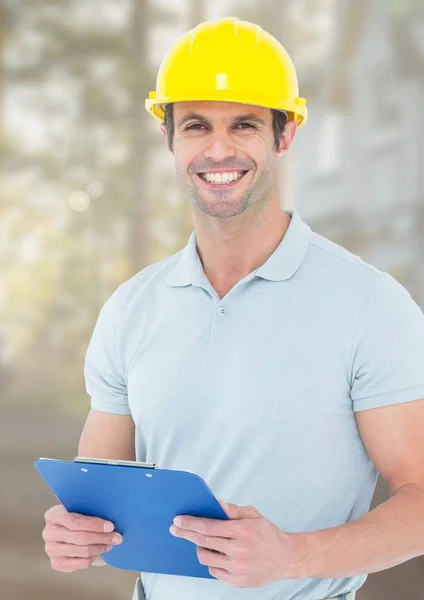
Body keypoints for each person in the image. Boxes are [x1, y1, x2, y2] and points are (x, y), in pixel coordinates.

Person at [42, 17, 424, 600]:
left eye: (243, 124)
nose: (219, 149)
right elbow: (101, 488)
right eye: (196, 125)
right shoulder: (131, 308)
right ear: (169, 137)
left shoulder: (369, 304)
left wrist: (291, 556)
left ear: (285, 133)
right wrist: (75, 532)